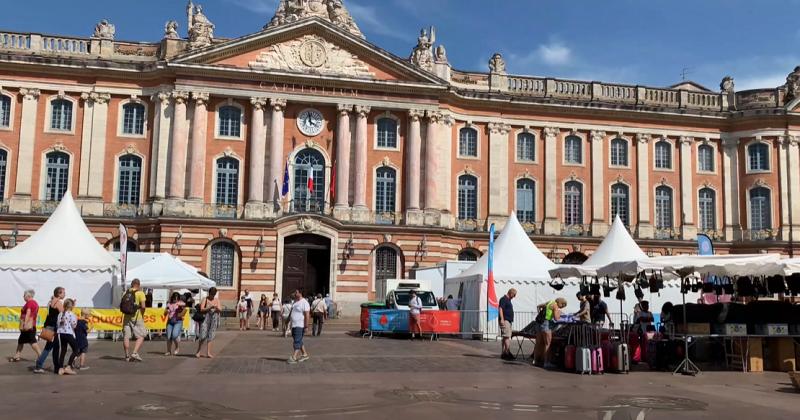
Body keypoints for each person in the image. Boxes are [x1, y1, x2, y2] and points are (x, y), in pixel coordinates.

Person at [34, 287, 65, 374]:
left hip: (49, 326)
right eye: (63, 293)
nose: (64, 294)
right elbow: (64, 313)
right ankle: (40, 365)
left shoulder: (51, 301)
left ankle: (56, 367)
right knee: (50, 348)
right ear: (59, 294)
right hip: (53, 328)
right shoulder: (58, 303)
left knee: (53, 347)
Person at [533, 297, 567, 368]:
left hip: (539, 323)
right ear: (561, 303)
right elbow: (556, 318)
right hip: (546, 324)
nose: (561, 308)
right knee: (547, 344)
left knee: (538, 343)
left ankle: (536, 361)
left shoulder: (550, 302)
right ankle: (546, 362)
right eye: (562, 306)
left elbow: (538, 306)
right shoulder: (555, 306)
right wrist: (559, 313)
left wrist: (540, 313)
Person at [10, 289, 41, 363]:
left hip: (28, 326)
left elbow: (28, 313)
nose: (23, 297)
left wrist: (25, 324)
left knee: (32, 341)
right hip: (30, 325)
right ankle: (17, 356)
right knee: (21, 341)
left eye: (24, 295)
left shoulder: (30, 303)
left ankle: (41, 356)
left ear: (28, 296)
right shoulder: (34, 303)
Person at [122, 278, 147, 362]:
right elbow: (143, 307)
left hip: (126, 316)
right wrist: (142, 314)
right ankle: (135, 353)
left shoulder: (126, 292)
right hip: (136, 317)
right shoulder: (140, 293)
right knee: (141, 335)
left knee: (126, 336)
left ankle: (127, 356)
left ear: (132, 284)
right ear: (138, 285)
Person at [196, 287, 221, 358]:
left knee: (211, 335)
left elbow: (220, 309)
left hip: (214, 319)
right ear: (209, 293)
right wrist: (209, 307)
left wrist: (216, 308)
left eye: (213, 295)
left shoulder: (217, 300)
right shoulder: (205, 299)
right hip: (205, 319)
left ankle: (209, 352)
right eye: (211, 294)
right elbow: (201, 309)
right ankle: (198, 351)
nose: (212, 296)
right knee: (203, 335)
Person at [56, 299, 79, 376]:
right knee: (76, 349)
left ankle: (60, 368)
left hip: (61, 333)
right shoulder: (72, 314)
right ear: (71, 306)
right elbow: (74, 325)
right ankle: (68, 366)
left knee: (63, 350)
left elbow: (58, 324)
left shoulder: (60, 314)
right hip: (68, 333)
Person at [288, 290, 310, 364]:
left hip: (299, 325)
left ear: (300, 293)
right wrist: (288, 320)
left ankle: (294, 357)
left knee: (297, 341)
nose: (295, 293)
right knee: (298, 340)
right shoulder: (296, 302)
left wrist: (306, 326)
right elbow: (292, 312)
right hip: (294, 324)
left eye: (296, 292)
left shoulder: (304, 302)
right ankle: (304, 354)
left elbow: (307, 314)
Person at [164, 292, 186, 356]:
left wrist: (179, 304)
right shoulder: (169, 304)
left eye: (177, 298)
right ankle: (168, 351)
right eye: (174, 298)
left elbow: (184, 305)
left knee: (174, 335)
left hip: (178, 321)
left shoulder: (180, 303)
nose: (175, 300)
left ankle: (177, 347)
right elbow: (164, 313)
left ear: (179, 298)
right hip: (170, 321)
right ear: (172, 298)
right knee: (168, 337)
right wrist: (166, 311)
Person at [498, 289, 517, 360]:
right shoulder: (503, 299)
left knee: (505, 337)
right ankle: (508, 352)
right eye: (514, 295)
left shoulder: (508, 300)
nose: (514, 297)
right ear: (510, 293)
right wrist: (502, 319)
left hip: (508, 320)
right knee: (507, 336)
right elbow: (500, 309)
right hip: (505, 320)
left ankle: (504, 353)